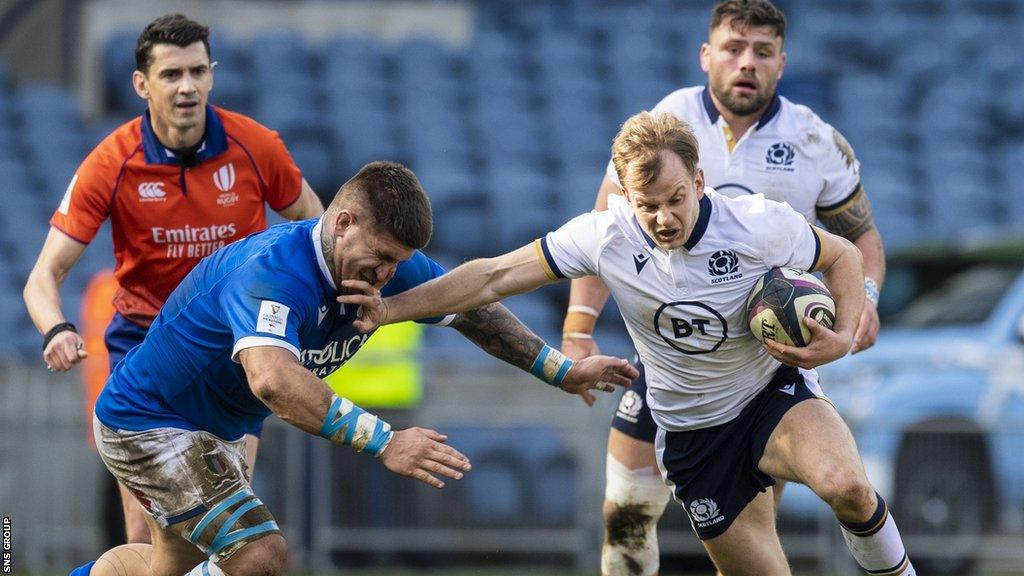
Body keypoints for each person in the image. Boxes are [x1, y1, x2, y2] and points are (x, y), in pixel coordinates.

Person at [341, 113, 915, 576]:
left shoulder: (758, 224)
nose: (663, 218)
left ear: (698, 182)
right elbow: (491, 276)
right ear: (625, 198)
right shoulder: (604, 235)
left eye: (674, 199)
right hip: (692, 436)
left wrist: (839, 339)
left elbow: (841, 254)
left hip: (772, 395)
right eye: (648, 205)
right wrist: (390, 309)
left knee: (847, 489)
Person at [67, 160, 637, 576]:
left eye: (400, 262)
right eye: (383, 257)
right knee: (257, 554)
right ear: (342, 223)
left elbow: (472, 308)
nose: (389, 273)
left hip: (211, 427)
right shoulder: (274, 273)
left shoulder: (379, 268)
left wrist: (560, 371)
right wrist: (385, 441)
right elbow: (272, 380)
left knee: (165, 568)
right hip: (148, 421)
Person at [558, 1, 887, 573]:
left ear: (781, 63)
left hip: (762, 366)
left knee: (754, 531)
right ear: (707, 55)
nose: (746, 63)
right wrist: (578, 325)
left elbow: (862, 240)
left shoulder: (815, 141)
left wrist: (868, 302)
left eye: (762, 52)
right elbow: (603, 230)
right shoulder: (667, 121)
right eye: (734, 49)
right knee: (626, 515)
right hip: (671, 358)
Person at [23, 14, 324, 545]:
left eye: (197, 71)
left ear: (212, 75)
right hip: (145, 348)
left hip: (234, 348)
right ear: (142, 84)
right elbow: (43, 276)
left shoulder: (256, 146)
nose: (187, 86)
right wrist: (56, 329)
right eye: (170, 74)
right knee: (146, 536)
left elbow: (314, 228)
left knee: (228, 530)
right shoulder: (111, 162)